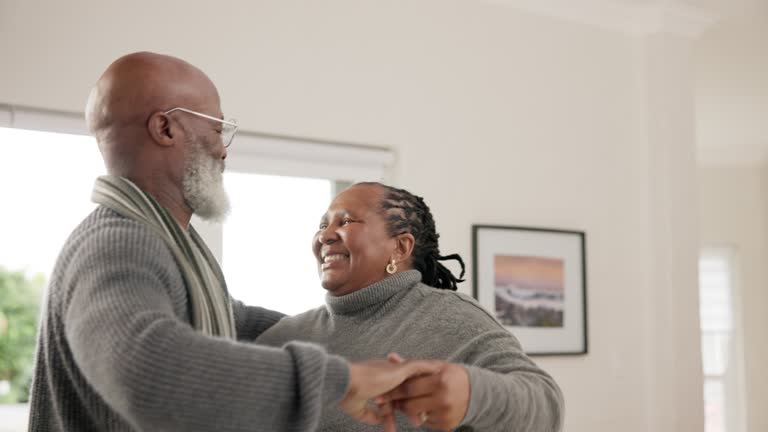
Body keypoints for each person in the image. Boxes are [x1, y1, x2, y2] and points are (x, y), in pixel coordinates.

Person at [27, 52, 442, 432]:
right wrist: (339, 379)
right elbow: (147, 369)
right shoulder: (116, 243)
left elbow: (230, 320)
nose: (223, 150)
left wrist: (352, 333)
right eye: (216, 127)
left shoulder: (166, 244)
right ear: (166, 127)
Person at [256, 182, 565, 431]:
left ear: (400, 247)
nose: (324, 235)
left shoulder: (452, 319)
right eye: (322, 224)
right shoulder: (286, 335)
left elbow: (547, 407)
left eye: (345, 221)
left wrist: (473, 394)